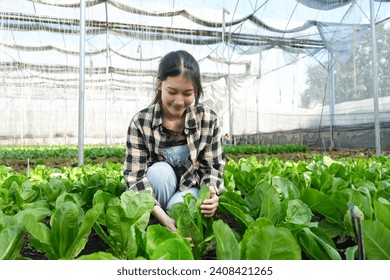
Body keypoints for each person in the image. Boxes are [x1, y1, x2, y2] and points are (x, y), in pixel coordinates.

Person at [123, 50, 225, 232]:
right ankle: (155, 222)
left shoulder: (208, 120)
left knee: (181, 207)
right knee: (160, 172)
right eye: (172, 92)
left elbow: (213, 167)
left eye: (187, 93)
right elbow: (135, 176)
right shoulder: (141, 122)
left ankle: (174, 220)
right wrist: (162, 218)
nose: (179, 101)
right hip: (156, 194)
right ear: (159, 84)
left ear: (196, 90)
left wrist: (211, 192)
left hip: (189, 187)